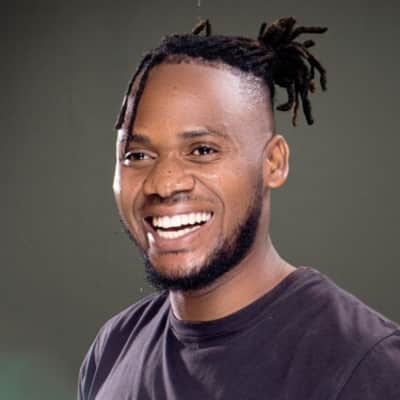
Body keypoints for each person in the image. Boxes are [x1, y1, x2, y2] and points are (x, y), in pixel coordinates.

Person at [77, 17, 400, 399]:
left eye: (202, 150)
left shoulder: (365, 364)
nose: (163, 184)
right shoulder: (113, 348)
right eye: (137, 155)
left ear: (273, 163)